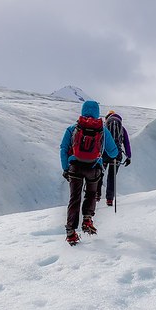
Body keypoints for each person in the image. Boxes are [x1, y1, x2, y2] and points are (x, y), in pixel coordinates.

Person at [60, 100, 119, 245]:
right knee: (91, 194)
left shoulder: (73, 128)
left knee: (74, 198)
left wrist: (65, 168)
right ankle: (87, 219)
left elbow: (63, 148)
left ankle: (71, 233)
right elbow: (113, 152)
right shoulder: (102, 129)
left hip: (75, 166)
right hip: (94, 167)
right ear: (97, 111)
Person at [99, 110, 132, 206]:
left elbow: (100, 140)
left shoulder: (105, 126)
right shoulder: (122, 128)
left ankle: (97, 194)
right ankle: (109, 199)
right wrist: (129, 157)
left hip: (105, 154)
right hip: (117, 156)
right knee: (112, 177)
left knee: (99, 174)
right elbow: (126, 143)